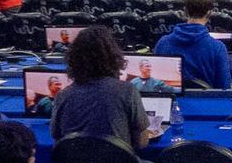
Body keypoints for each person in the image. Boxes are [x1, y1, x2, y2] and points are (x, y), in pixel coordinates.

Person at [52, 27, 159, 155]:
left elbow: (58, 138)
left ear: (73, 60)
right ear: (113, 57)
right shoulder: (127, 91)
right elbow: (142, 143)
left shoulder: (62, 96)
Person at [154, 0, 232, 89]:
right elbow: (225, 88)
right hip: (204, 102)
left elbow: (156, 83)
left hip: (173, 101)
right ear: (209, 13)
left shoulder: (163, 43)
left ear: (185, 11)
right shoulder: (217, 48)